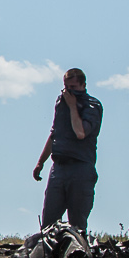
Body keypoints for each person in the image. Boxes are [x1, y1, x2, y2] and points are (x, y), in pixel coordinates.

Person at [32, 68, 102, 232]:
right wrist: (40, 162)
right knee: (49, 223)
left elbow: (80, 133)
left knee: (77, 223)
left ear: (83, 85)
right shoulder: (60, 102)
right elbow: (54, 132)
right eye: (66, 87)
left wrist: (72, 106)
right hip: (59, 167)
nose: (69, 92)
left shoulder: (92, 105)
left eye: (73, 88)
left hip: (80, 168)